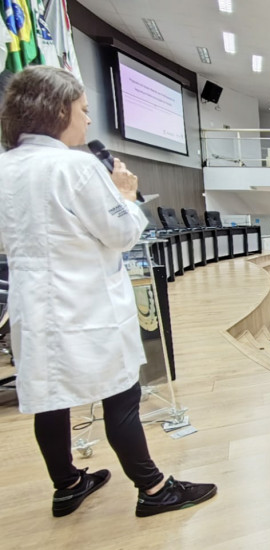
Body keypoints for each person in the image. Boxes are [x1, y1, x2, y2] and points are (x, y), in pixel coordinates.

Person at [0, 66, 216, 518]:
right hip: (87, 304)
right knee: (121, 396)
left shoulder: (5, 167)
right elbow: (119, 234)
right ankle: (155, 490)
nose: (88, 121)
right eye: (83, 110)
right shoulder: (75, 166)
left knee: (51, 399)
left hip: (33, 308)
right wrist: (128, 194)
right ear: (59, 110)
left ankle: (67, 483)